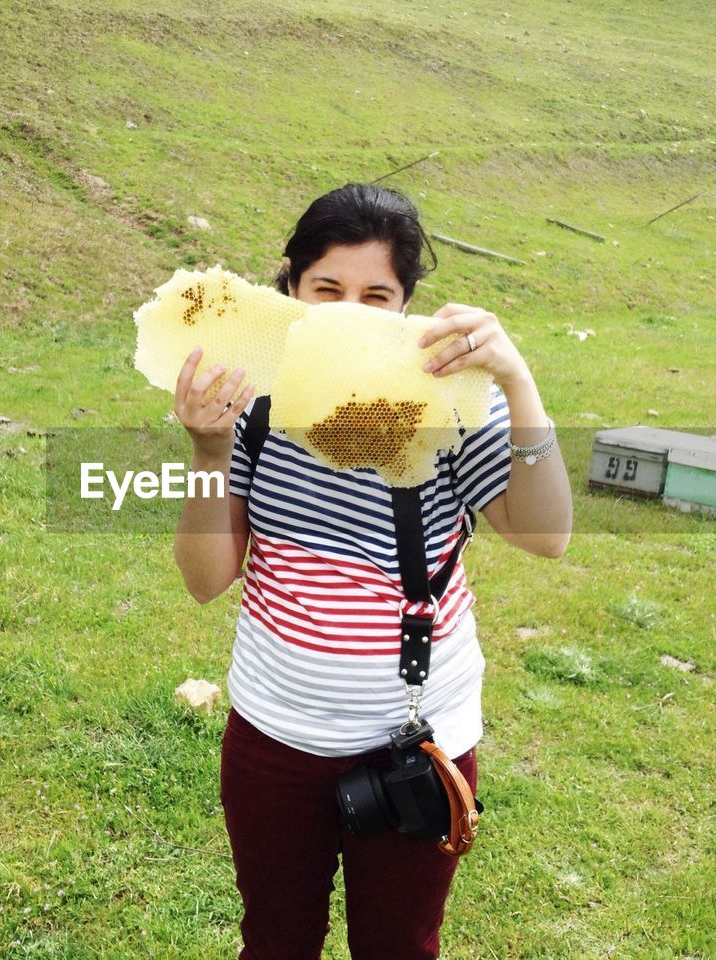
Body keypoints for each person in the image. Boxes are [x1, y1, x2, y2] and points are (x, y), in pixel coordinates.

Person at [171, 183, 573, 960]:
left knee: (399, 946)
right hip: (273, 733)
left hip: (416, 740)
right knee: (276, 940)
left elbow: (545, 535)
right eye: (327, 290)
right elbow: (204, 577)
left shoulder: (452, 400)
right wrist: (208, 451)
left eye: (374, 296)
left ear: (406, 307)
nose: (349, 312)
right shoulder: (249, 400)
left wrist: (519, 385)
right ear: (289, 288)